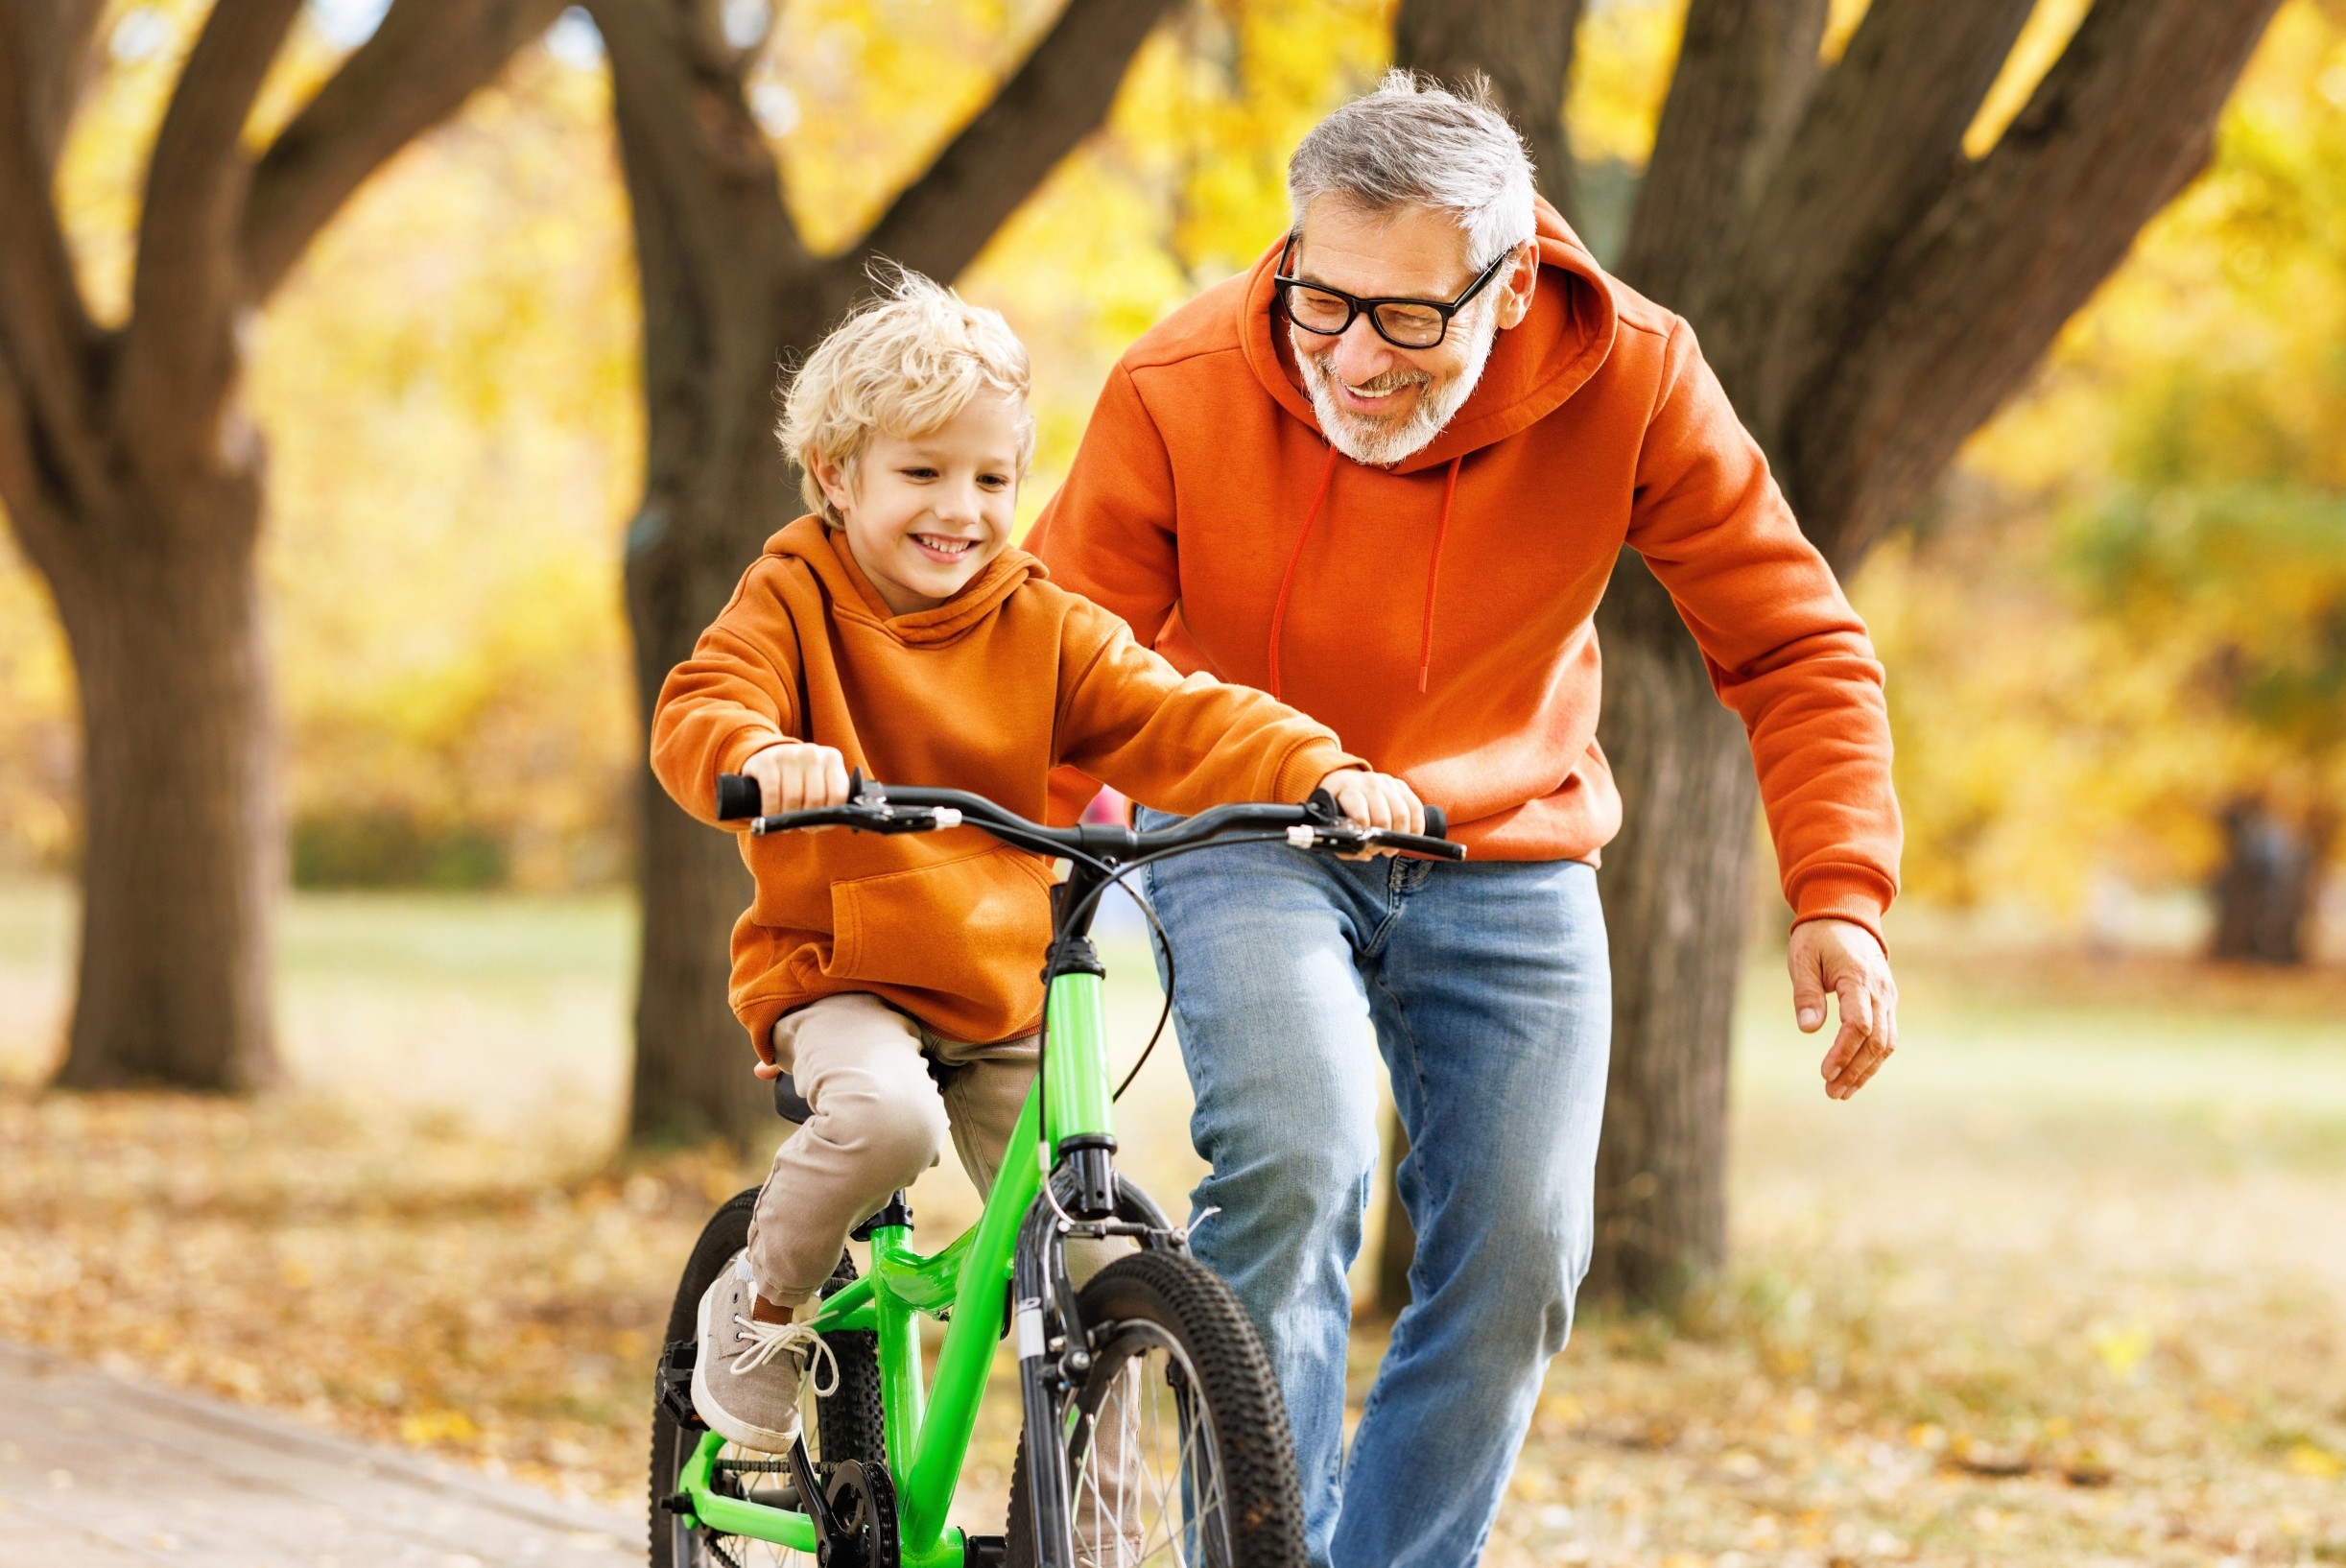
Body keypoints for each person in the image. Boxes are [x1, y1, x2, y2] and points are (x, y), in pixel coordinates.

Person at [1027, 74, 1904, 1568]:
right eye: (1323, 300)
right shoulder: (1180, 381)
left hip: (1504, 841)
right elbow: (1050, 667)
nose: (1354, 357)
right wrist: (957, 898)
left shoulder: (1630, 373)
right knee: (1297, 1161)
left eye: (1407, 316)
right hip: (1245, 820)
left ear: (1509, 288)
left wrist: (1837, 890)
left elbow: (1793, 641)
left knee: (1520, 1259)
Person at [648, 269, 1424, 1453]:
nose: (960, 508)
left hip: (1001, 988)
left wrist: (1319, 771)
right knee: (889, 1122)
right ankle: (758, 1301)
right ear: (835, 478)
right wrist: (764, 750)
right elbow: (704, 704)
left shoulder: (1041, 619)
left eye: (992, 478)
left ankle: (1093, 1515)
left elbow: (1180, 714)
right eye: (922, 473)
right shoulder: (792, 595)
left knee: (1095, 1252)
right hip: (843, 972)